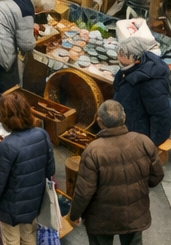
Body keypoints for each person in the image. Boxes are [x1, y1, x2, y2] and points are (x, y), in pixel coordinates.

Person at [69, 100, 165, 245]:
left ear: (99, 121)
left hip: (102, 219)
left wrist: (75, 214)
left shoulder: (93, 151)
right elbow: (157, 176)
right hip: (135, 214)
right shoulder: (143, 141)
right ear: (124, 117)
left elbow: (84, 192)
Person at [0, 92, 55, 245]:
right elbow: (50, 171)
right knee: (29, 238)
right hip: (34, 204)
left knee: (11, 241)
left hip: (10, 210)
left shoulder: (7, 146)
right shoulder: (42, 135)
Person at [112, 37, 171, 146]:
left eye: (123, 54)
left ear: (136, 59)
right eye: (119, 52)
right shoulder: (126, 69)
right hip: (124, 128)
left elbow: (161, 116)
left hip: (137, 137)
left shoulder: (151, 82)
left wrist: (151, 145)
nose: (118, 57)